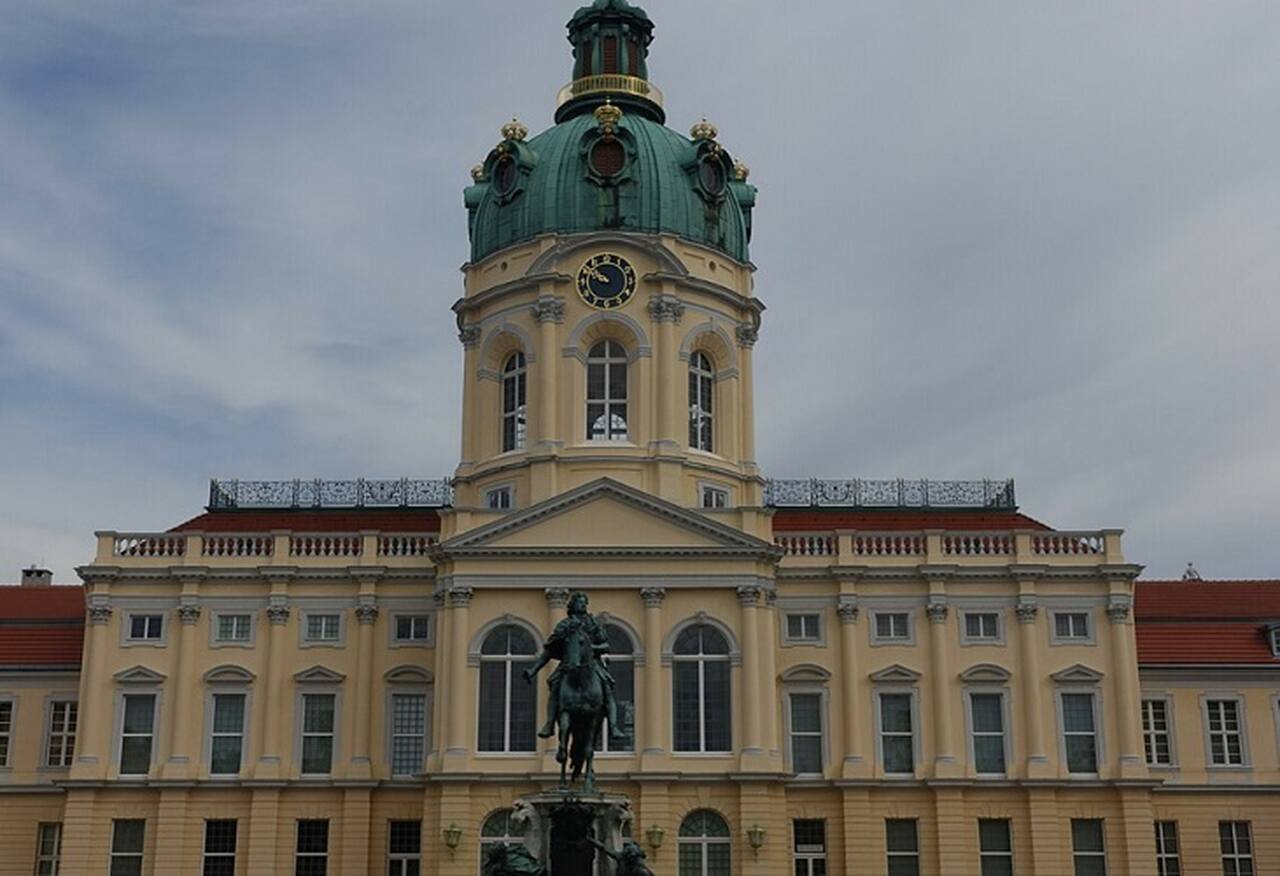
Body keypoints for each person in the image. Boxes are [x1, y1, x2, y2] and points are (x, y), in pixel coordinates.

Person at [523, 591, 626, 743]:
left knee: (607, 688)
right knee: (555, 686)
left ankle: (613, 726)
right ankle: (549, 723)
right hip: (568, 664)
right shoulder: (565, 625)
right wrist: (533, 670)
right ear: (573, 605)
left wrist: (591, 649)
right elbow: (550, 650)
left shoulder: (593, 623)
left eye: (585, 602)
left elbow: (605, 645)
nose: (583, 604)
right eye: (580, 602)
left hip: (592, 664)